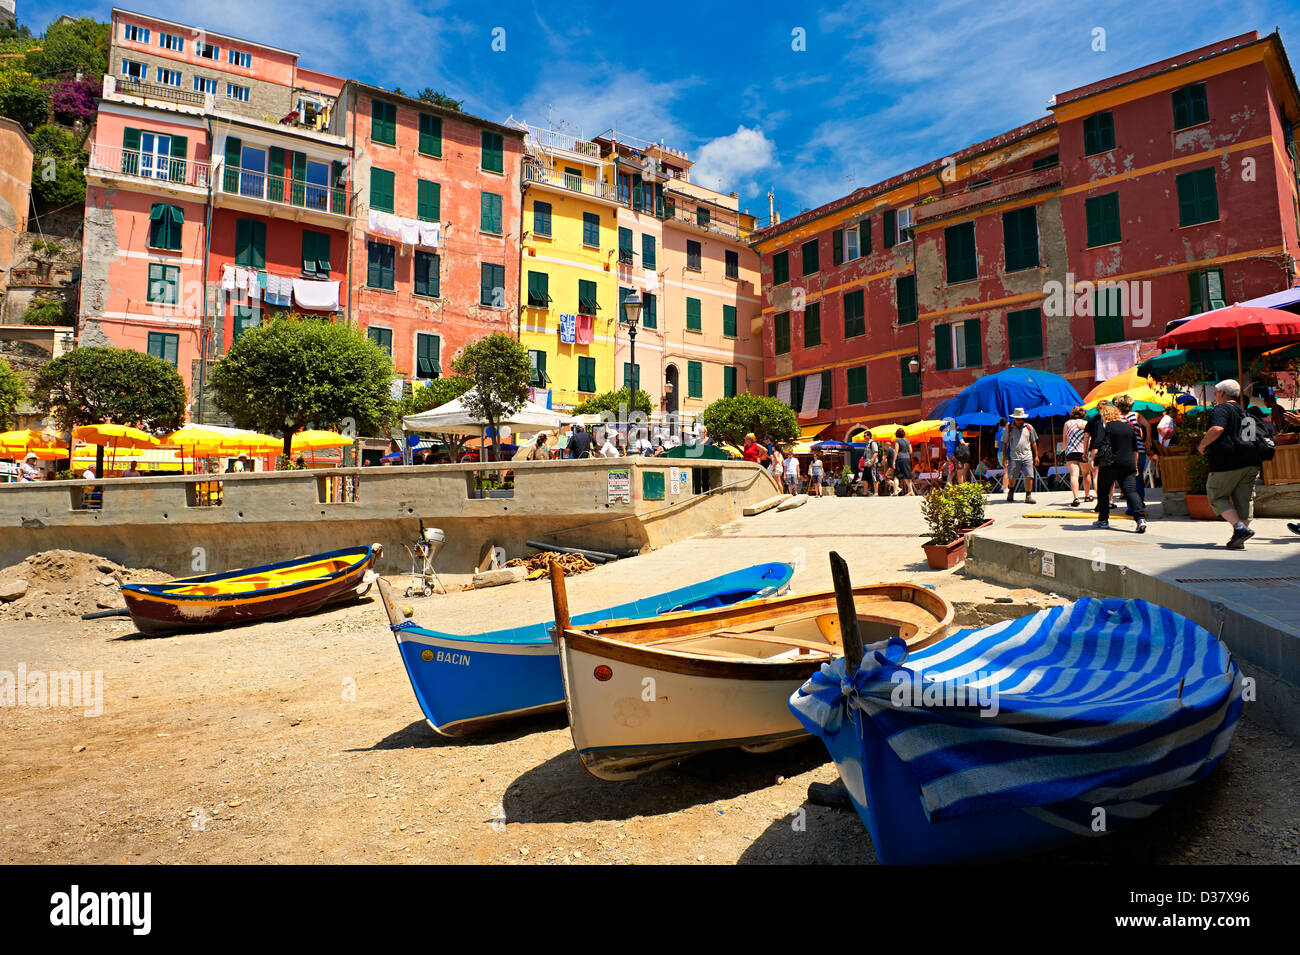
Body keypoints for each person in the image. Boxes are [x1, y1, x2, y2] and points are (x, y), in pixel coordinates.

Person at [1198, 379, 1258, 549]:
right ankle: (1239, 536)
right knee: (1244, 500)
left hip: (1227, 462)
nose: (1215, 396)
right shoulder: (1245, 412)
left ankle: (1239, 528)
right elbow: (1250, 437)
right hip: (1250, 462)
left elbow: (1217, 429)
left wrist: (1202, 445)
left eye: (1216, 392)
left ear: (1222, 393)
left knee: (1217, 495)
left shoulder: (1222, 408)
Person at [1090, 402, 1147, 532]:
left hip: (1109, 464)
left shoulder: (1104, 427)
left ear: (1104, 415)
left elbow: (1096, 445)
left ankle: (1103, 519)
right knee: (1131, 492)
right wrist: (1136, 465)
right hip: (1128, 463)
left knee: (1104, 491)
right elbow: (1135, 449)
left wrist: (1093, 460)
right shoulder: (1128, 428)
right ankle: (1140, 519)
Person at [1115, 395, 1152, 512]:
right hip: (1139, 451)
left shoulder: (1116, 418)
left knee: (1127, 480)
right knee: (1138, 478)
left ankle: (1131, 507)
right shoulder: (1136, 415)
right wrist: (1147, 440)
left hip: (1123, 453)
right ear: (1131, 405)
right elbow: (1148, 426)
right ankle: (1139, 503)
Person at [1003, 409, 1038, 504]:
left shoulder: (1029, 427)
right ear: (1014, 418)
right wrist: (1004, 457)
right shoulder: (1009, 428)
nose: (1018, 421)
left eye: (1020, 419)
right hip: (1014, 456)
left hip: (1027, 456)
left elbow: (1033, 442)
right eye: (1017, 419)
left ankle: (1028, 495)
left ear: (1023, 419)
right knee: (1012, 477)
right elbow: (1004, 443)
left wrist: (1036, 456)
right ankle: (1011, 491)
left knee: (1029, 476)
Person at [1062, 406, 1093, 507]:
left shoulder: (1067, 423)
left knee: (1074, 475)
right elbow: (1089, 438)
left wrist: (1065, 450)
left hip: (1070, 451)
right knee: (1086, 474)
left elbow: (1064, 439)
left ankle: (1075, 498)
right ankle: (1087, 496)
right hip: (1082, 451)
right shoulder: (1085, 424)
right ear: (1083, 414)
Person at [891, 428, 915, 496]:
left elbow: (896, 451)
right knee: (907, 475)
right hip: (907, 459)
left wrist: (894, 461)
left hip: (900, 459)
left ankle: (895, 491)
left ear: (897, 434)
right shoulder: (908, 441)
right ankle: (911, 491)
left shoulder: (897, 441)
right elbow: (911, 451)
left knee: (896, 475)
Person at [994, 418, 1010, 491]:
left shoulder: (997, 433)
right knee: (1007, 471)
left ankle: (1004, 485)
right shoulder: (1007, 433)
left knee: (1005, 470)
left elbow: (996, 446)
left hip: (999, 453)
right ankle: (1006, 488)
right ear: (1006, 423)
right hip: (1006, 453)